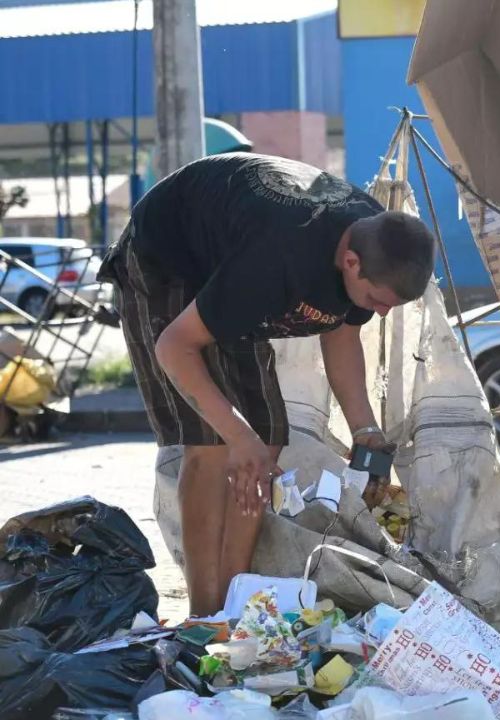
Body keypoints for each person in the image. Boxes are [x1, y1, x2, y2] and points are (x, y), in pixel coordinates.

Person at [99, 153, 436, 616]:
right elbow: (175, 347)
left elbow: (341, 335)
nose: (380, 311)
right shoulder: (278, 256)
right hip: (166, 260)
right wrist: (238, 436)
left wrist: (365, 431)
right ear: (351, 262)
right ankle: (204, 615)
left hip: (230, 264)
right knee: (214, 445)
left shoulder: (372, 241)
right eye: (378, 300)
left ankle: (235, 605)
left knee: (268, 442)